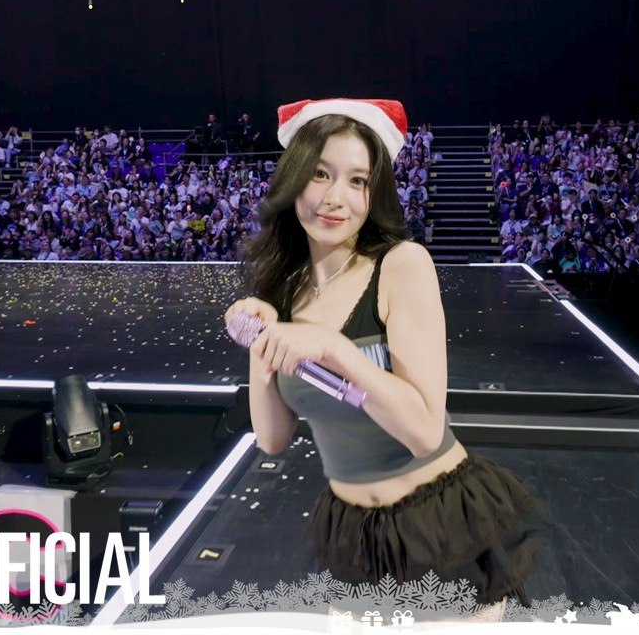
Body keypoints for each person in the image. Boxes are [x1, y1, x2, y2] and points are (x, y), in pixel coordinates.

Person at [224, 98, 546, 619]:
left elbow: (423, 431)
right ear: (293, 179)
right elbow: (272, 438)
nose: (335, 198)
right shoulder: (284, 289)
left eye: (358, 181)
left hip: (439, 523)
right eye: (320, 174)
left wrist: (334, 349)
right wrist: (259, 339)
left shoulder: (400, 266)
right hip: (354, 533)